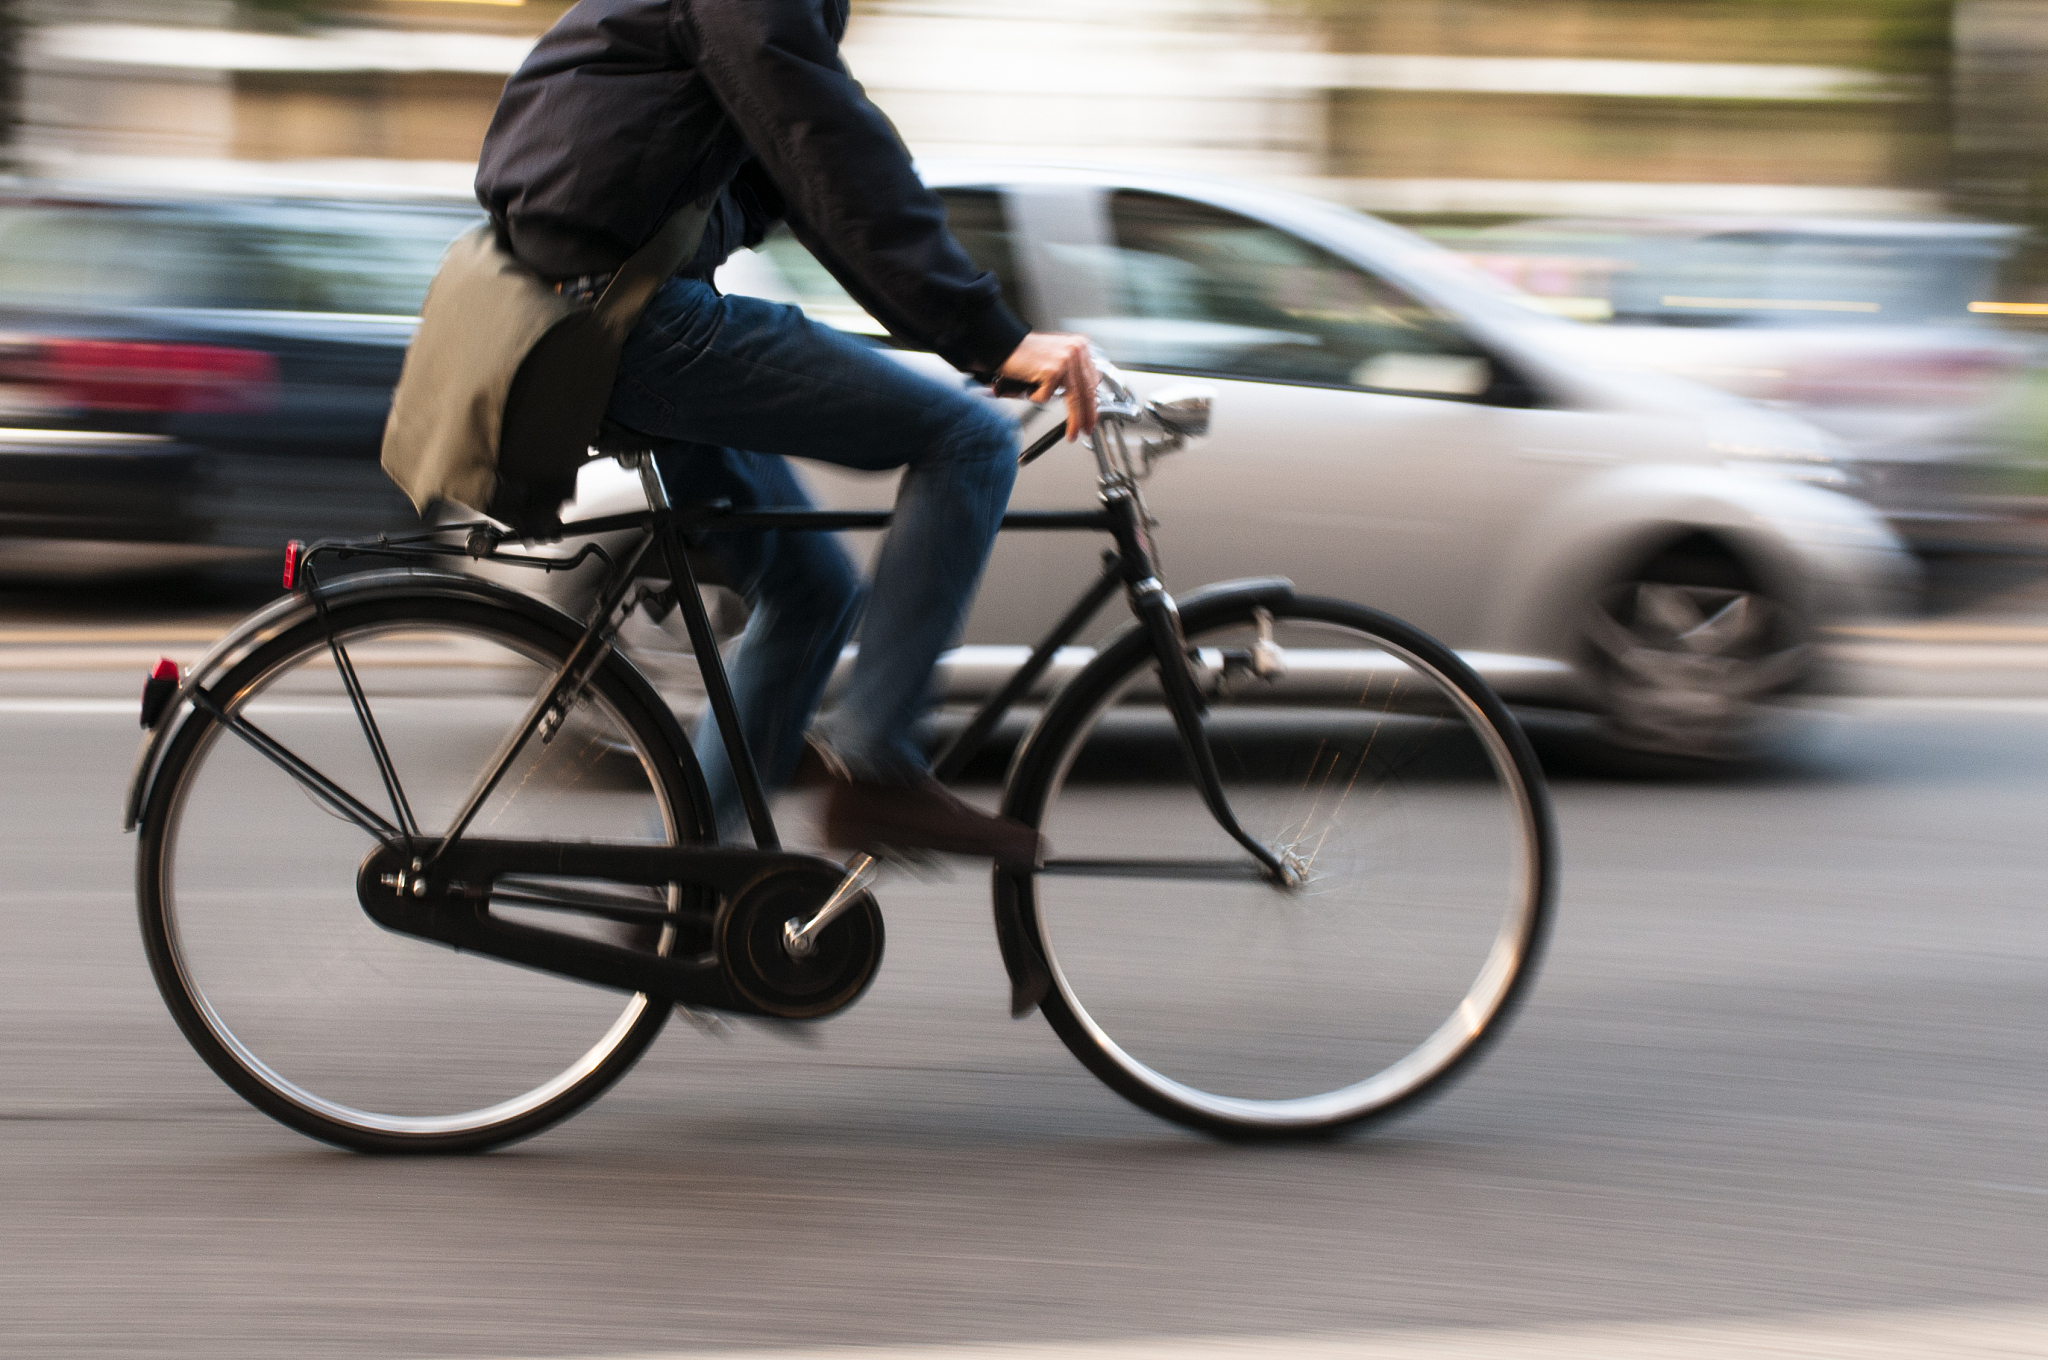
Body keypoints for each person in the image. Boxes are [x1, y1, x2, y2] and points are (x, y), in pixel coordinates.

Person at [475, 0, 1097, 867]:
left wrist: (961, 328)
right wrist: (988, 336)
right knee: (972, 442)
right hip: (625, 312)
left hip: (586, 308)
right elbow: (825, 146)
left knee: (811, 593)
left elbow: (805, 170)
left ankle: (685, 885)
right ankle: (879, 771)